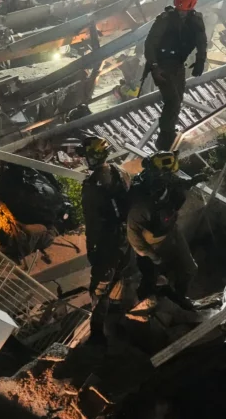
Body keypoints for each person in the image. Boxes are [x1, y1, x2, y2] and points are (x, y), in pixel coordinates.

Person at [126, 151, 204, 306]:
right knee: (155, 279)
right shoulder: (141, 200)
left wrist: (194, 180)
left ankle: (181, 299)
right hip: (151, 243)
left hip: (170, 229)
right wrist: (151, 256)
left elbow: (179, 183)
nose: (170, 177)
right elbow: (133, 234)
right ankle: (155, 307)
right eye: (167, 174)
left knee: (189, 269)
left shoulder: (167, 182)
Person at [80, 136, 137, 345]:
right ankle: (120, 320)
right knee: (123, 278)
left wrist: (91, 250)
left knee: (99, 289)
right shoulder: (119, 171)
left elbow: (93, 223)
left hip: (107, 243)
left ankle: (97, 336)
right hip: (126, 239)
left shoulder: (92, 186)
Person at [144, 0, 207, 151]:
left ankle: (168, 133)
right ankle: (165, 138)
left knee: (177, 100)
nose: (182, 13)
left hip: (177, 64)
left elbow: (201, 40)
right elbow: (150, 44)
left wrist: (201, 59)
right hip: (163, 64)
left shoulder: (195, 19)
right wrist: (155, 67)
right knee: (172, 101)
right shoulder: (165, 19)